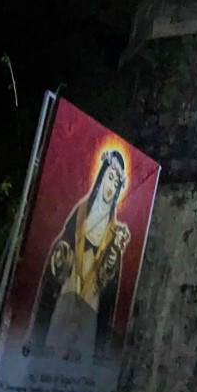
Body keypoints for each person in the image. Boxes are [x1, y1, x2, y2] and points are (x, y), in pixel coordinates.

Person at [27, 150, 130, 361]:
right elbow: (60, 254)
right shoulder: (81, 214)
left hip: (90, 305)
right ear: (100, 178)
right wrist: (62, 257)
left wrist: (112, 258)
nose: (110, 187)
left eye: (115, 183)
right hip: (67, 293)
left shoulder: (114, 235)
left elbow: (109, 291)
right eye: (108, 177)